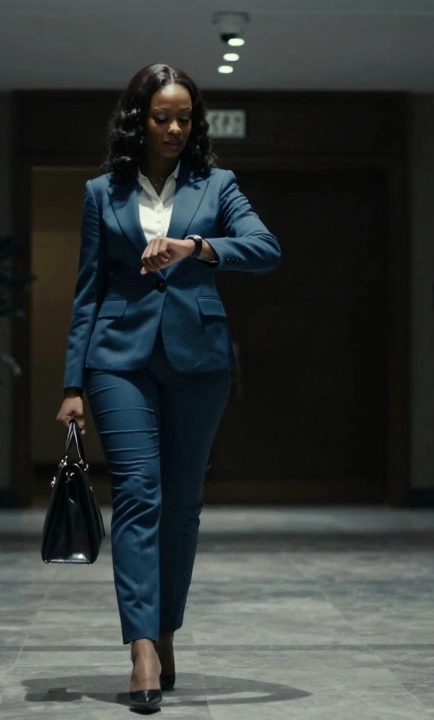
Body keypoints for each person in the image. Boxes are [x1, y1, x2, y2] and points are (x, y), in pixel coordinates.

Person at [55, 63, 280, 710]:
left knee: (181, 507)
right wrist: (73, 381)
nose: (175, 128)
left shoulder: (220, 185)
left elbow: (266, 249)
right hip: (117, 360)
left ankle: (166, 627)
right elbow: (87, 290)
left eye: (185, 118)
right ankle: (141, 649)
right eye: (162, 117)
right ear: (139, 120)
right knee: (137, 497)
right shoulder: (103, 193)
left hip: (199, 364)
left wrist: (198, 248)